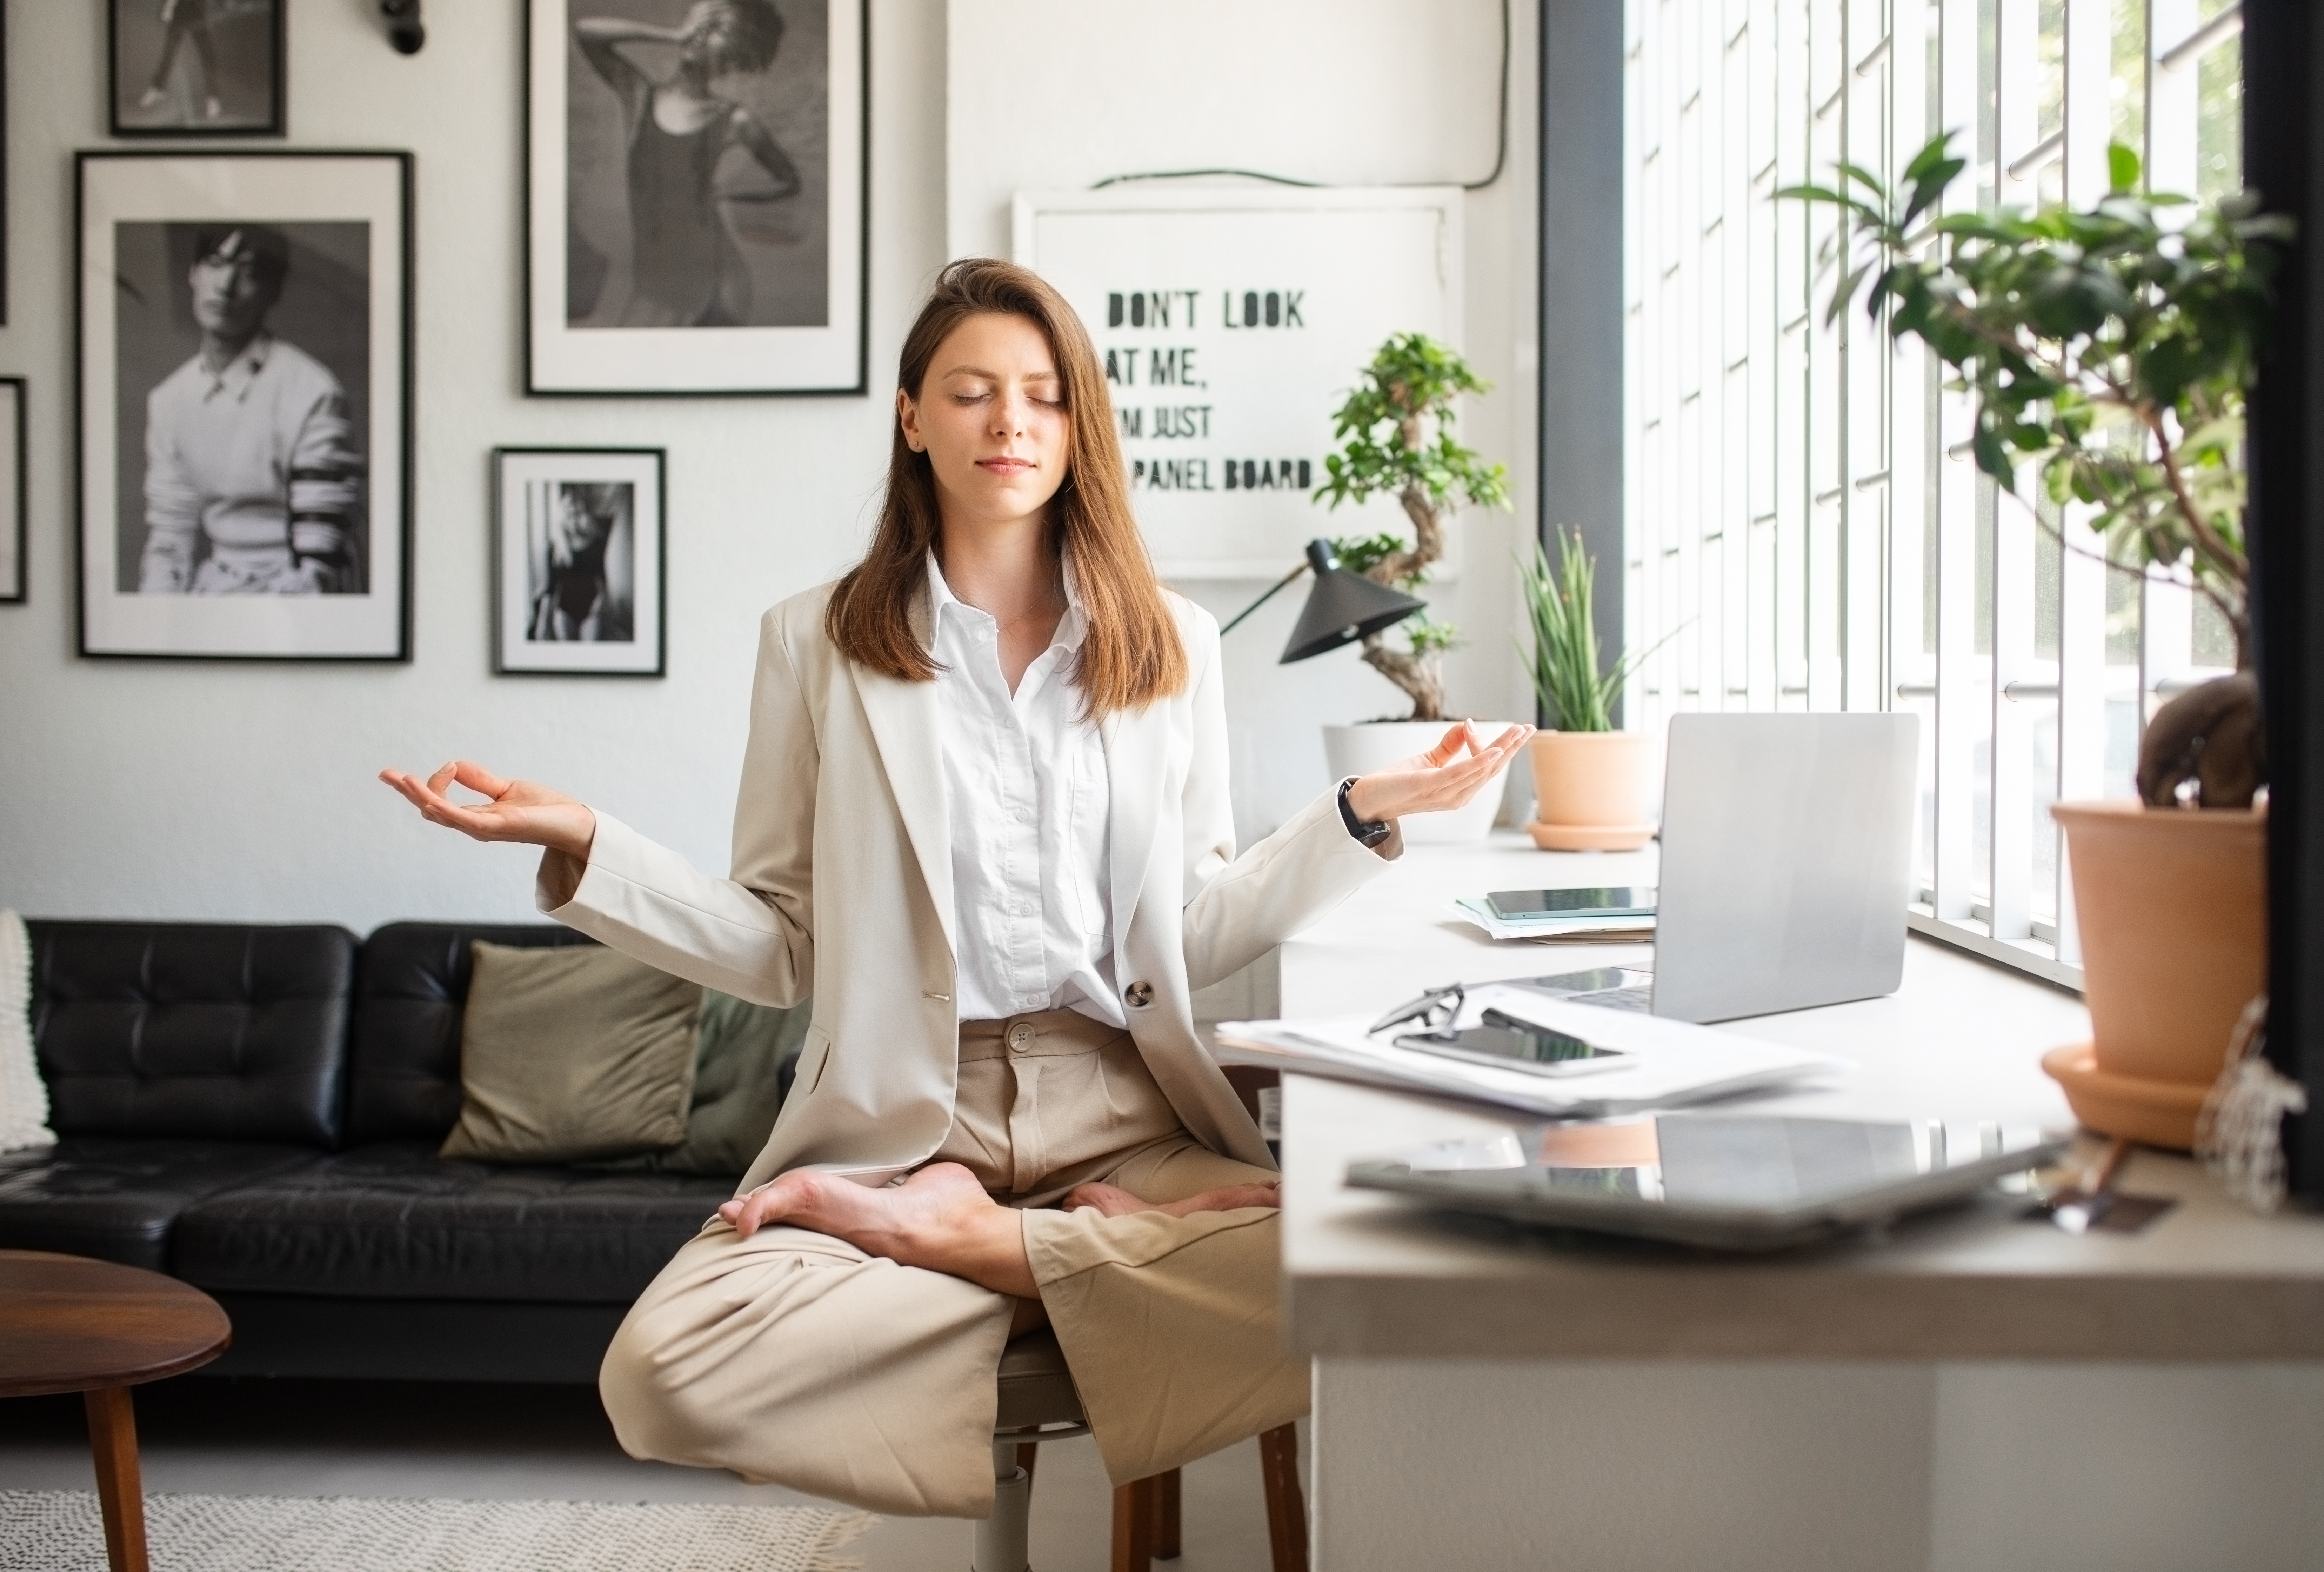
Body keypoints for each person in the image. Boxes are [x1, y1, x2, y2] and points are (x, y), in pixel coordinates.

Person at [380, 259, 1531, 1519]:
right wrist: (591, 844)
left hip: (1122, 1113)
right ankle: (1038, 1248)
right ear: (909, 415)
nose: (1010, 423)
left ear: (1078, 421)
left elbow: (1193, 929)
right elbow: (777, 944)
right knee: (664, 1369)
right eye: (973, 392)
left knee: (1378, 1259)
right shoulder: (813, 640)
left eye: (1042, 396)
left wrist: (1354, 816)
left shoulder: (1170, 643)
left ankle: (975, 1248)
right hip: (908, 1122)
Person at [138, 226, 364, 597]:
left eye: (247, 271)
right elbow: (168, 541)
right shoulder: (169, 399)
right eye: (215, 263)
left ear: (274, 290)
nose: (225, 285)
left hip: (296, 595)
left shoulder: (313, 391)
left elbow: (319, 560)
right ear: (193, 273)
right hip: (215, 588)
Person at [573, 0, 804, 328]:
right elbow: (587, 32)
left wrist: (726, 192)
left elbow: (788, 181)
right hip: (651, 280)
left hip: (709, 284)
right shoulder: (639, 95)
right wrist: (673, 34)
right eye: (703, 20)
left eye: (719, 29)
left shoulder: (734, 119)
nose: (702, 31)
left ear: (735, 53)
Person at [528, 482, 632, 642]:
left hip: (591, 609)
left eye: (577, 512)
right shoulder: (554, 548)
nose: (574, 518)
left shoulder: (596, 541)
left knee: (591, 650)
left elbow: (602, 575)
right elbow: (550, 588)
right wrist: (544, 622)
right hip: (565, 610)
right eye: (569, 513)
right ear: (562, 516)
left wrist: (603, 600)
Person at [136, 0, 221, 124]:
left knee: (208, 56)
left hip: (198, 9)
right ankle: (158, 89)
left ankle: (213, 98)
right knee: (170, 52)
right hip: (181, 9)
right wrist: (169, 7)